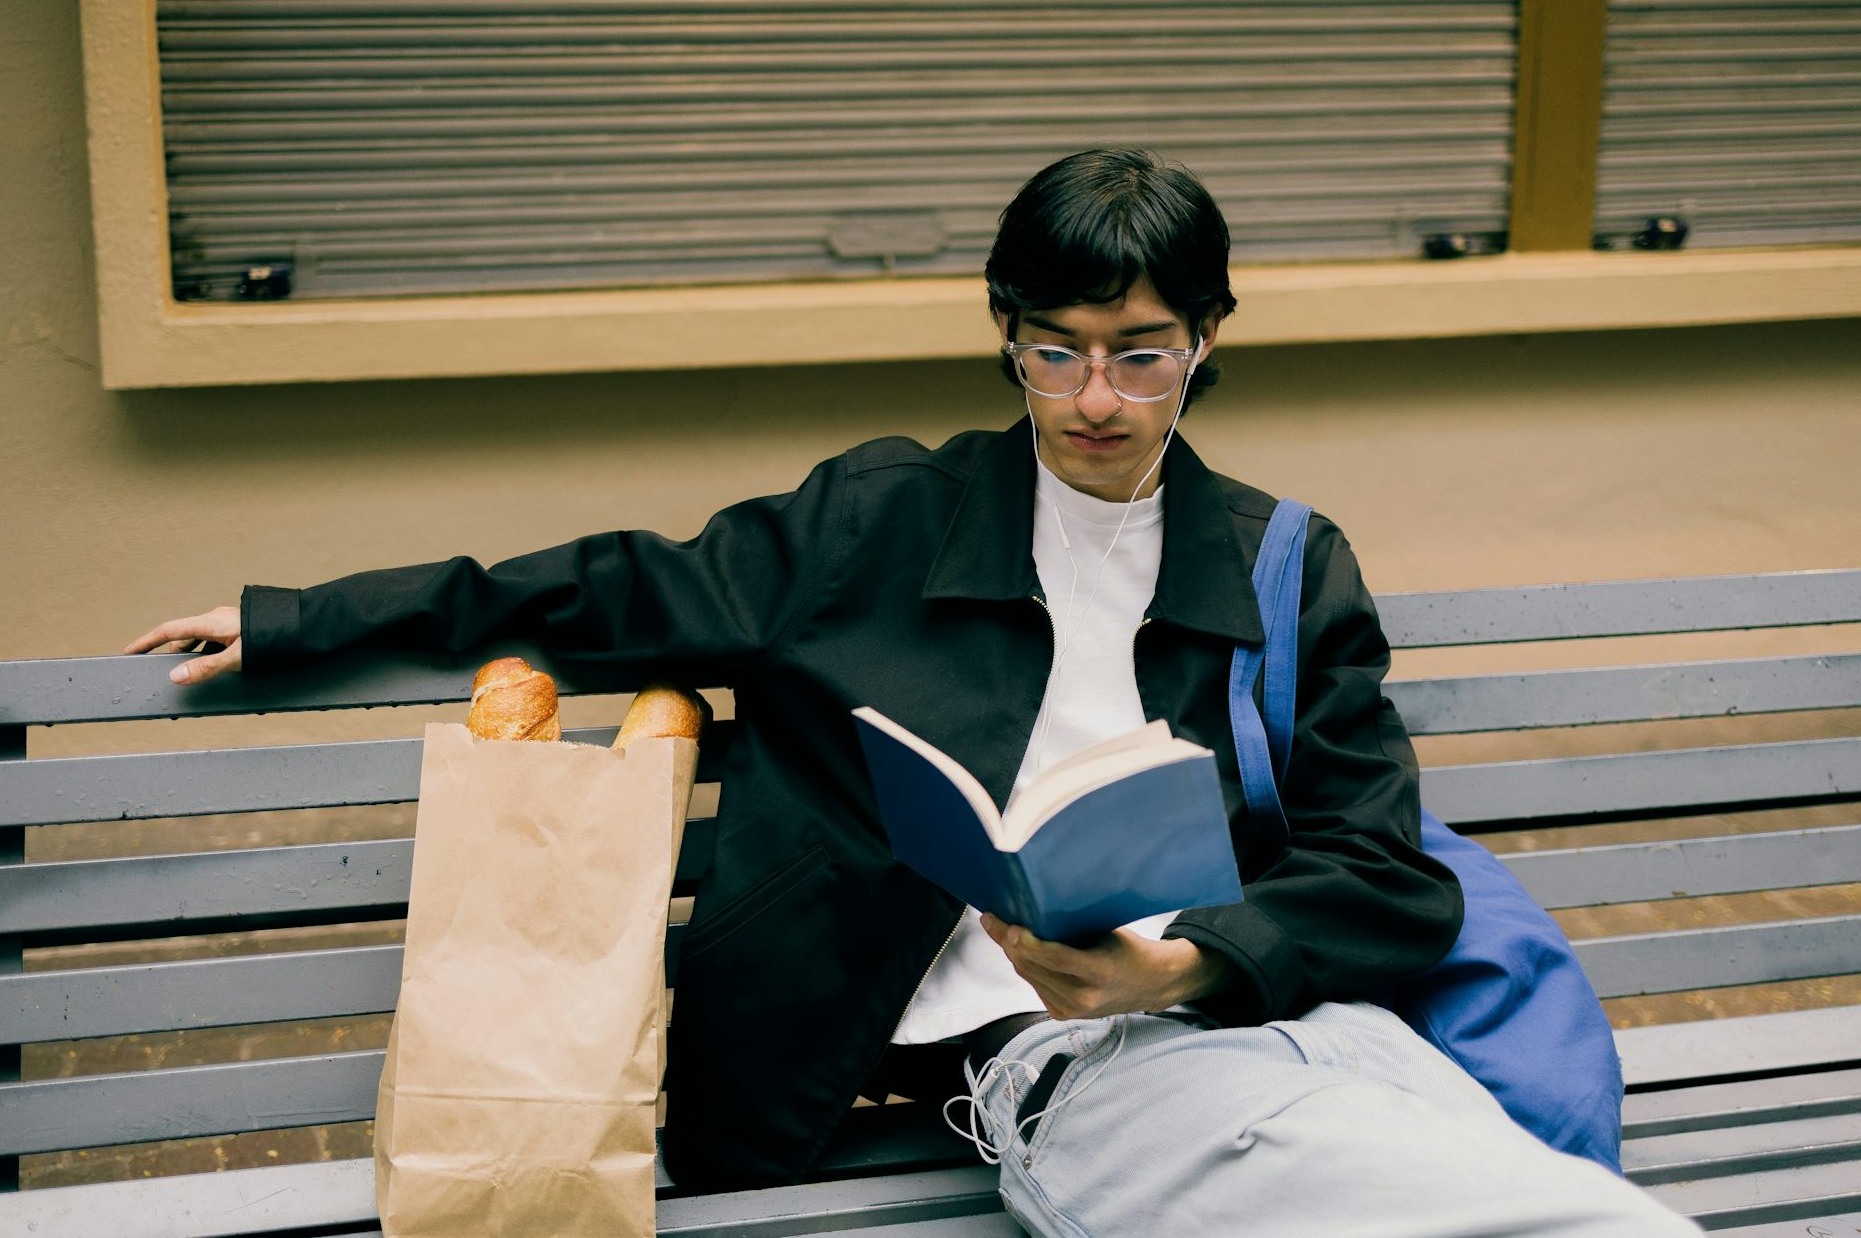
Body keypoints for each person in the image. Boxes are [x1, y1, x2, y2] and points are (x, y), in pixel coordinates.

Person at [127, 149, 1700, 1236]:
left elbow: (1379, 865)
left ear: (1210, 340)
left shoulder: (1284, 564)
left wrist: (1195, 962)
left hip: (1287, 1022)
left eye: (1142, 355)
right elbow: (605, 587)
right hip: (1053, 1064)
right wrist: (296, 619)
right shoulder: (877, 522)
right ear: (1004, 337)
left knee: (1509, 1189)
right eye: (1053, 350)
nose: (1094, 399)